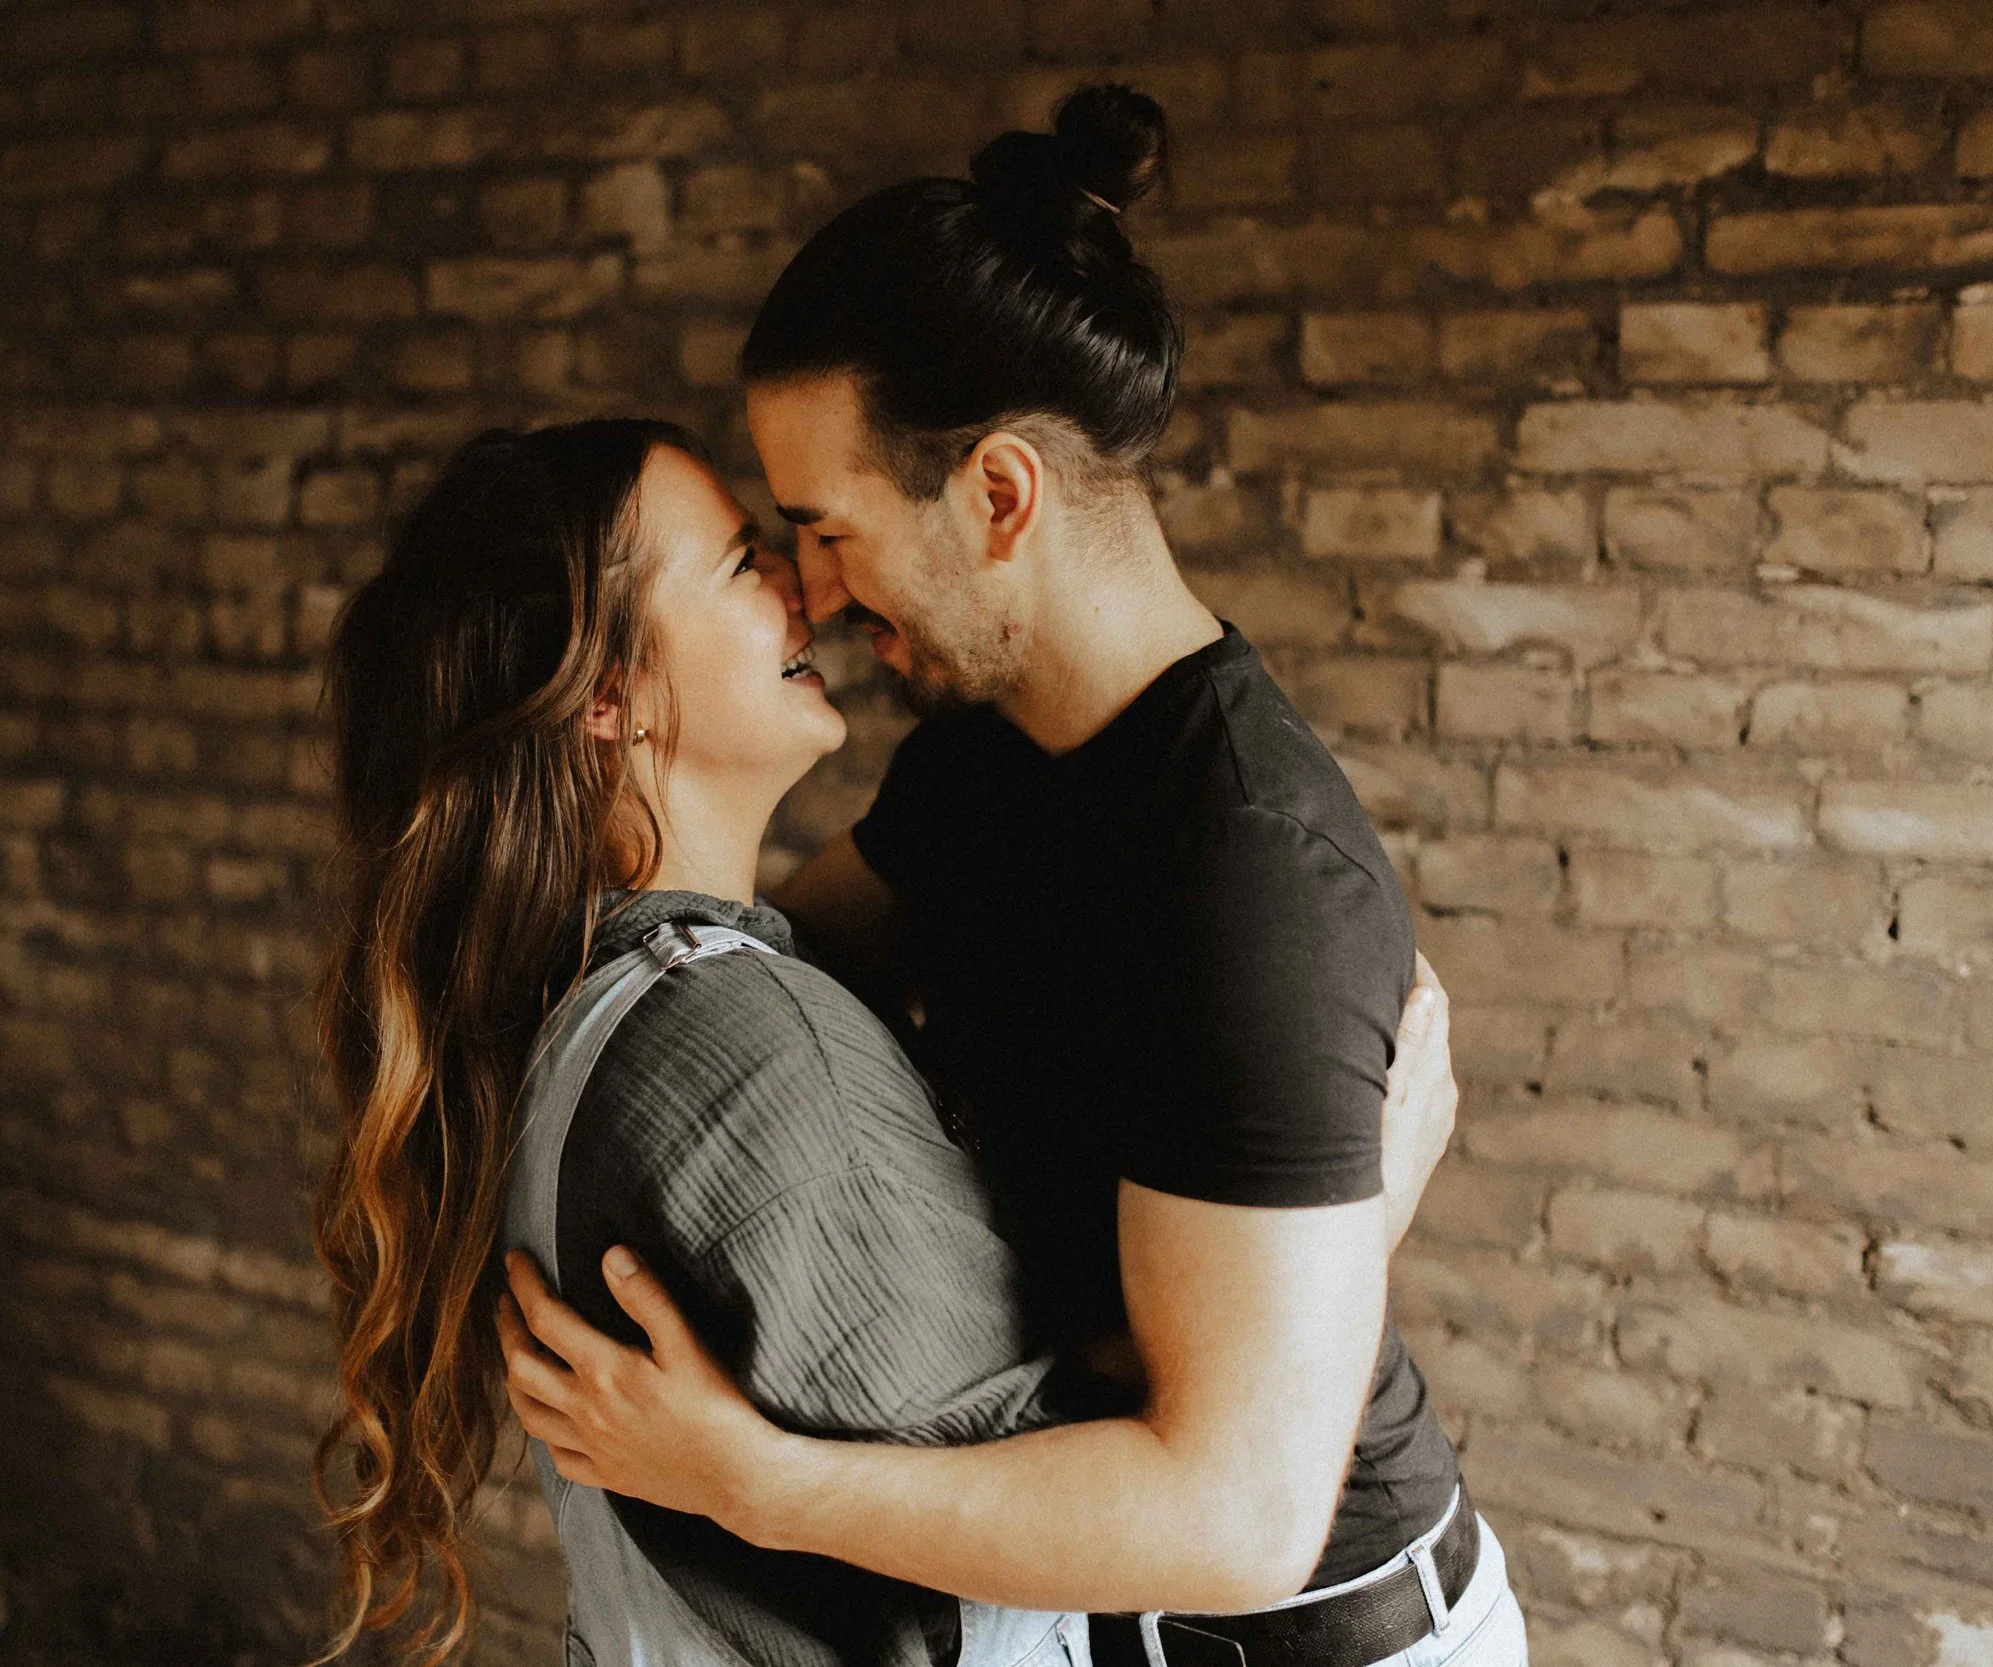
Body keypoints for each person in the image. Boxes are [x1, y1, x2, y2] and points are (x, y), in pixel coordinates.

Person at [496, 87, 1529, 1667]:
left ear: (995, 495)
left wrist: (752, 1480)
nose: (818, 597)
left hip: (1321, 1635)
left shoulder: (1253, 873)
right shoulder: (980, 763)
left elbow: (1234, 1517)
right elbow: (766, 997)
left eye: (825, 530)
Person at [306, 415, 1460, 1666]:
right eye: (748, 562)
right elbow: (1090, 1490)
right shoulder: (762, 1046)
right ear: (608, 698)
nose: (806, 591)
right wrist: (1352, 1220)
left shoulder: (583, 992)